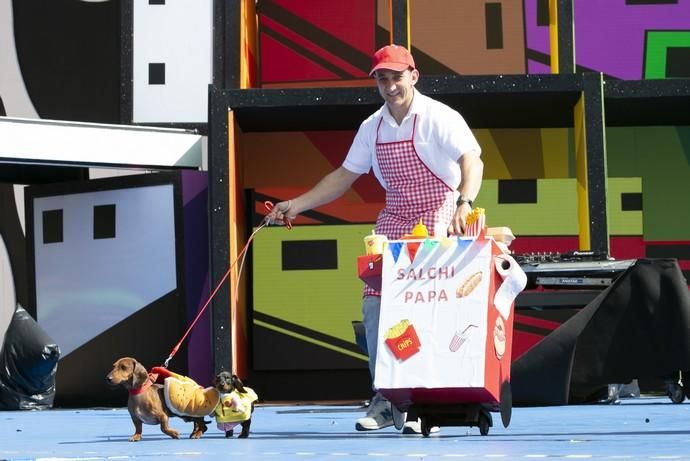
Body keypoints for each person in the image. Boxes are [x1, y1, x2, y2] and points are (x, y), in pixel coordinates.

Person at [266, 44, 484, 434]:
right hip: (395, 216)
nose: (389, 85)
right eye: (382, 78)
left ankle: (424, 406)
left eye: (396, 77)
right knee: (375, 310)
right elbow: (343, 176)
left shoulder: (439, 117)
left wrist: (464, 204)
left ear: (413, 76)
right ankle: (386, 399)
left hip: (439, 212)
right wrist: (295, 205)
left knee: (424, 310)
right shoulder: (372, 127)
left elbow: (472, 160)